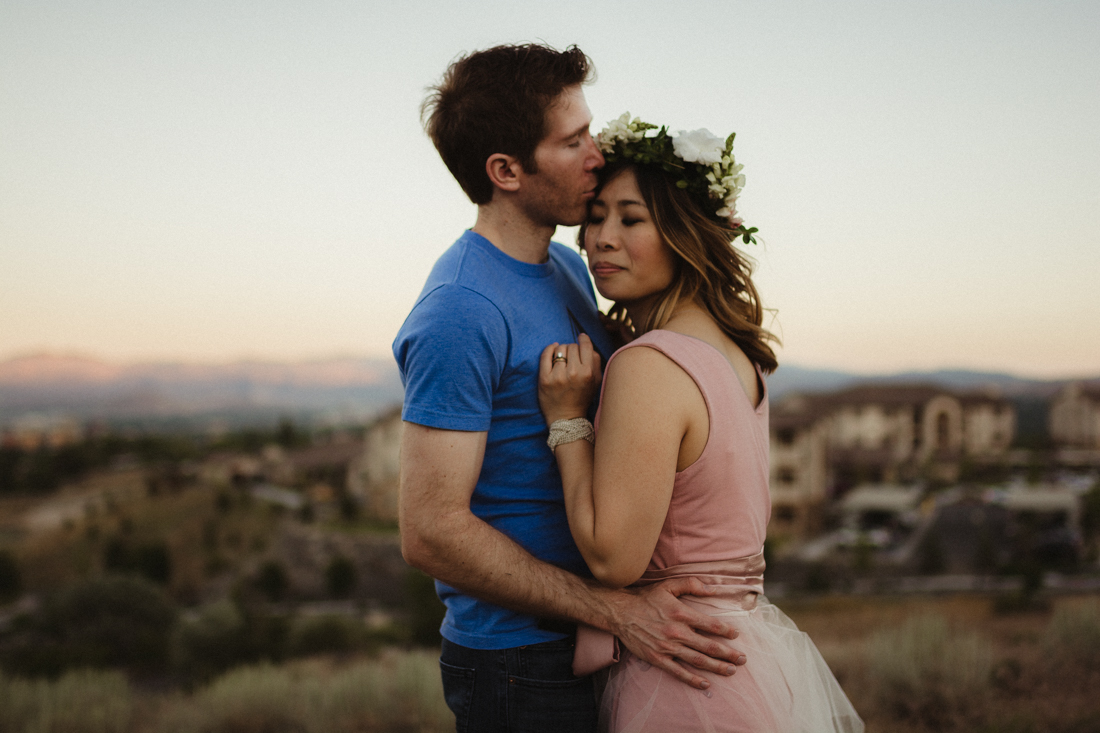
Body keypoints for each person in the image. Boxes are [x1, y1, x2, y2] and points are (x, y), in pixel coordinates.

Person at [393, 46, 748, 733]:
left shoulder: (564, 263)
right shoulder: (460, 310)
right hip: (519, 664)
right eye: (573, 140)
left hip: (597, 638)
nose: (597, 152)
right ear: (506, 171)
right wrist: (612, 608)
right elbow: (430, 532)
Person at [537, 116, 865, 732]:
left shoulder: (648, 366)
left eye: (631, 219)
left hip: (682, 677)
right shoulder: (737, 355)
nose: (601, 238)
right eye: (597, 216)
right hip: (745, 661)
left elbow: (613, 560)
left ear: (685, 234)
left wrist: (567, 422)